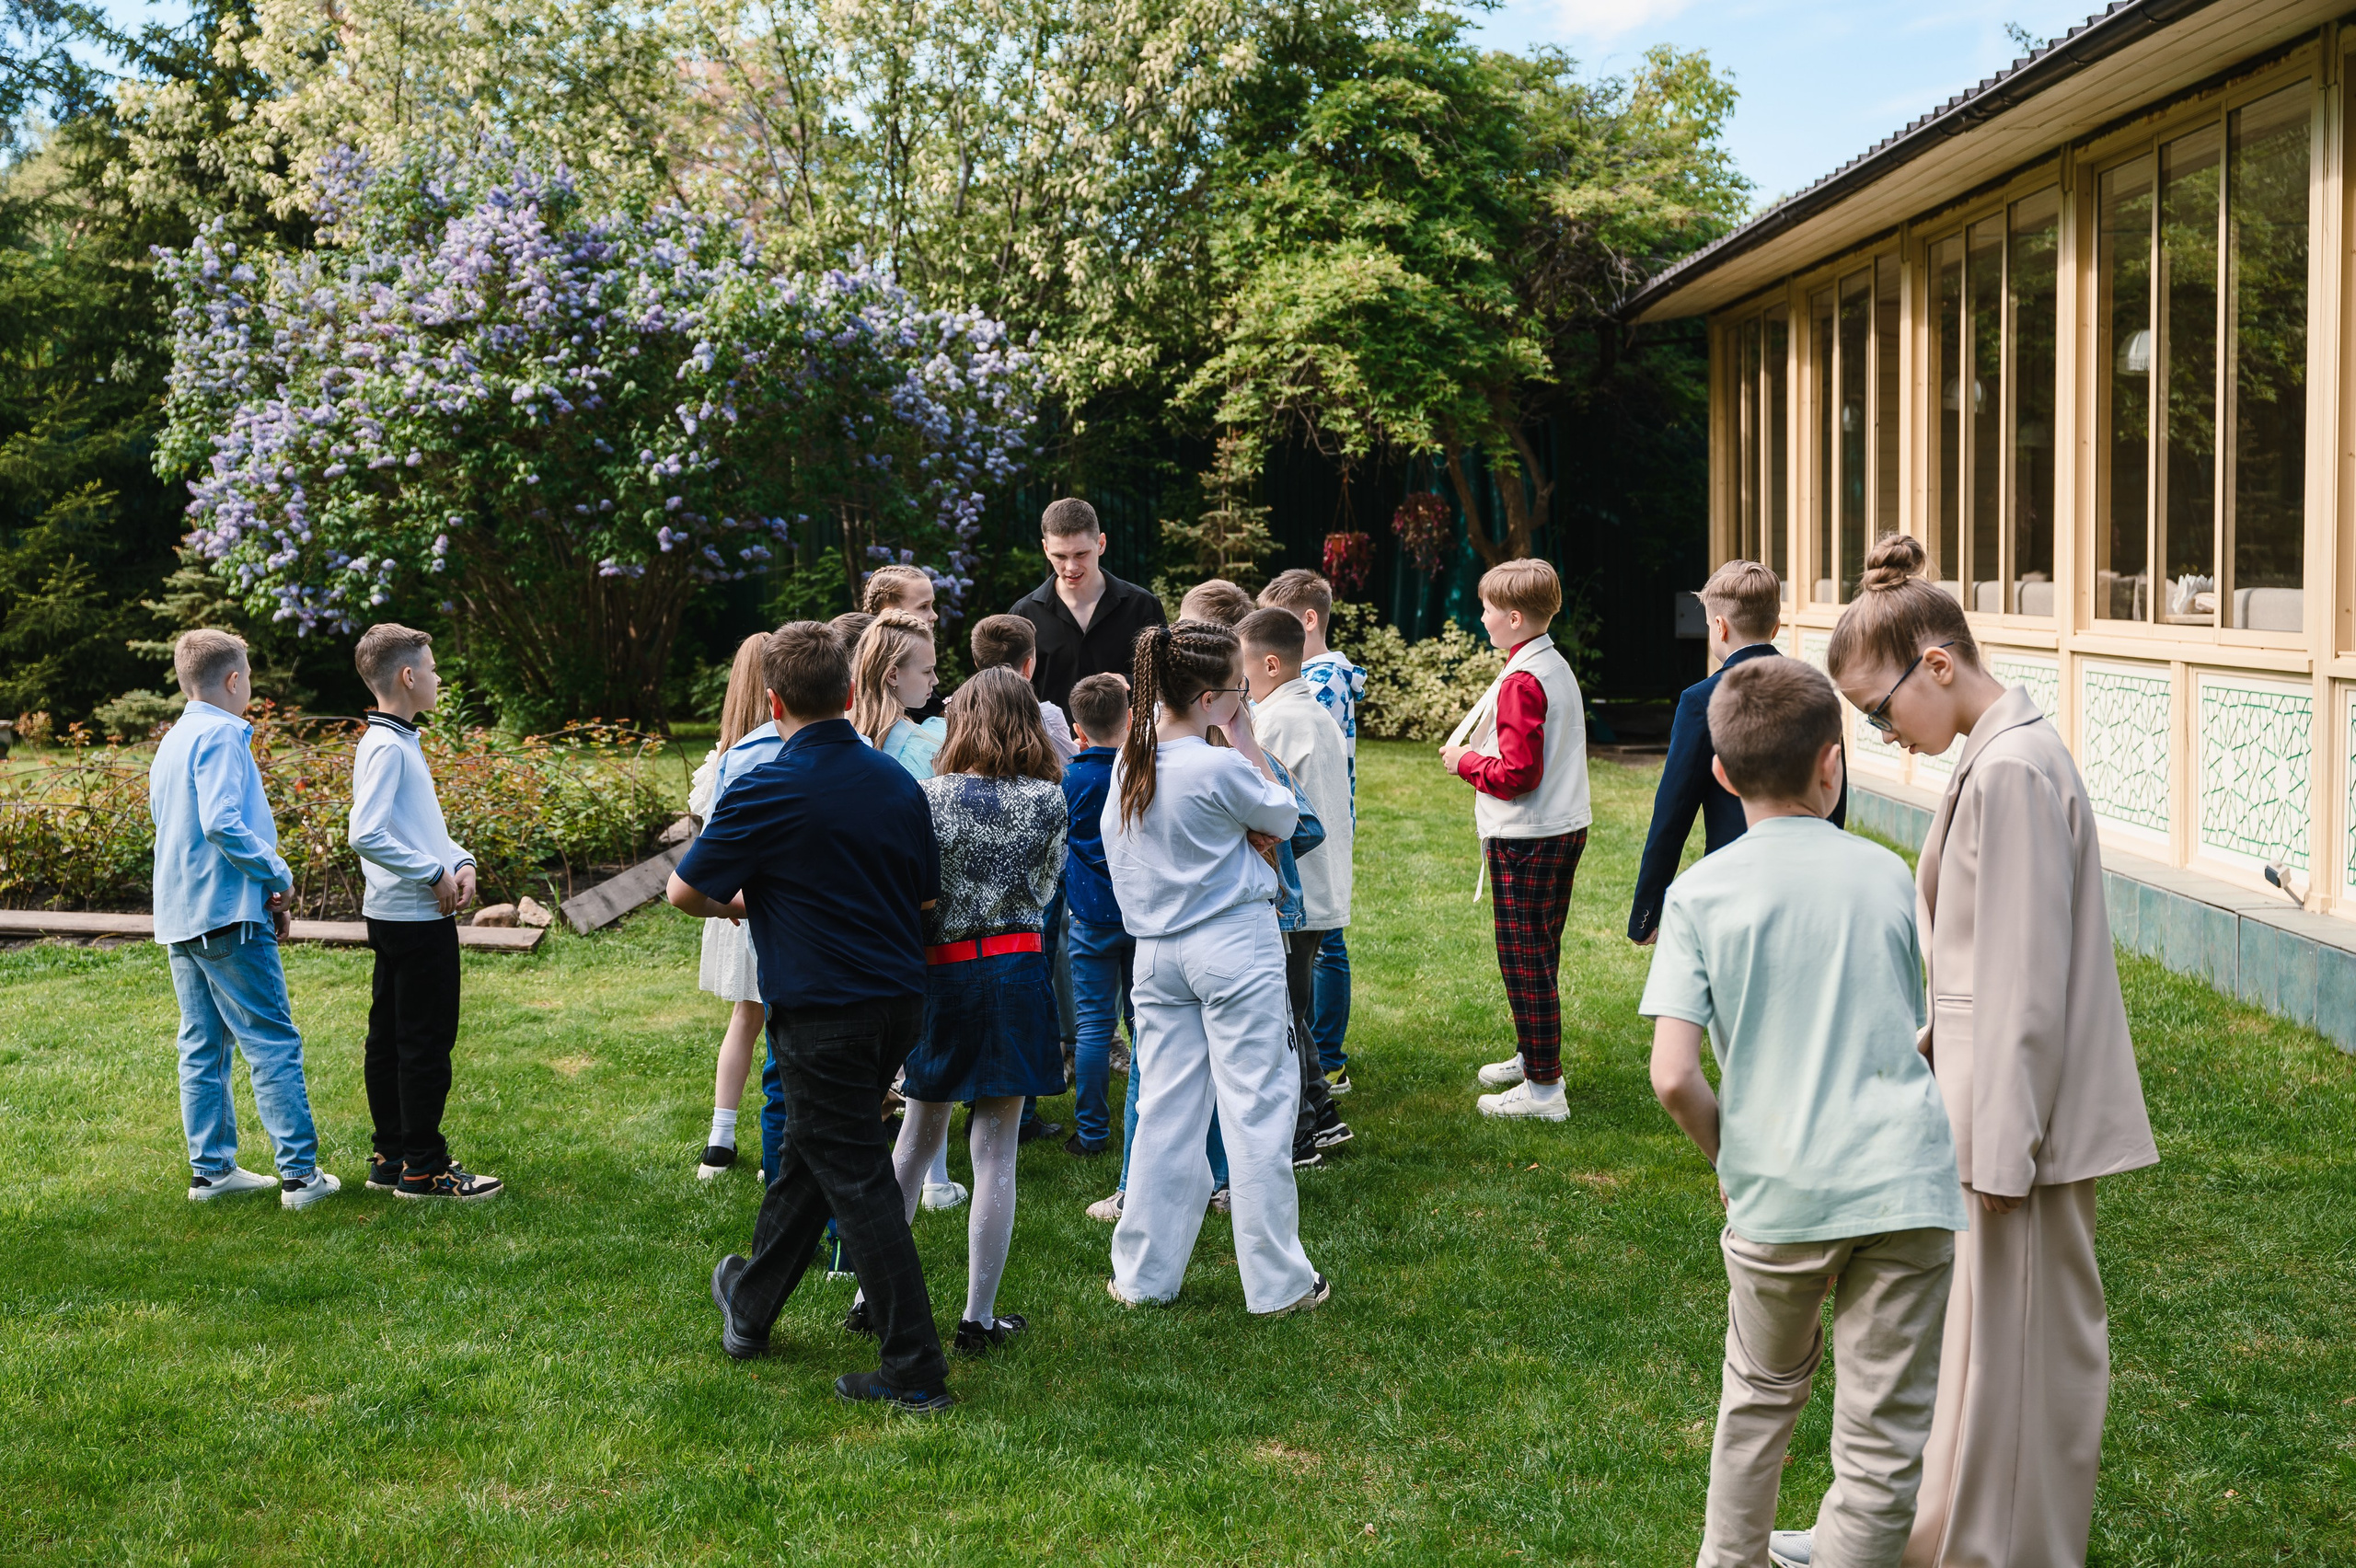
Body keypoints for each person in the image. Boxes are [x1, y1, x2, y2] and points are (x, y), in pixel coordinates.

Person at [1823, 534, 2157, 1568]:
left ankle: (2003, 1553)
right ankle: (1951, 1539)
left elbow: (2021, 987)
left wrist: (2002, 1148)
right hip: (1982, 1106)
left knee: (2023, 1360)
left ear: (1936, 664)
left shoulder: (2011, 768)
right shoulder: (1994, 754)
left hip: (2014, 1120)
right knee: (1984, 1353)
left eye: (1879, 712)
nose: (1880, 736)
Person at [1642, 655, 1968, 1568]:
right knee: (1882, 1434)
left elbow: (1673, 1076)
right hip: (1905, 1184)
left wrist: (1726, 1156)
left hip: (1777, 1192)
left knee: (1758, 1398)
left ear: (1718, 773)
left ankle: (1732, 1560)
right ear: (1833, 765)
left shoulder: (1700, 895)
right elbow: (1935, 1025)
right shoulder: (1888, 875)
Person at [672, 621, 955, 1412]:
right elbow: (928, 901)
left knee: (858, 1178)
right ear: (849, 692)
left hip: (823, 1007)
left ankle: (914, 1369)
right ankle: (751, 1307)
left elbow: (684, 890)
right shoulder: (897, 783)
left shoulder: (765, 783)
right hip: (899, 1001)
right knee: (811, 1154)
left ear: (773, 701)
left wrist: (740, 904)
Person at [1105, 620, 1327, 1316]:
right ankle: (1279, 1283)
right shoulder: (1220, 763)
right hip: (1233, 946)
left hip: (1157, 954)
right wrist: (1248, 743)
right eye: (1238, 690)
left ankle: (1144, 1274)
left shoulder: (1130, 764)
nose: (1245, 698)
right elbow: (1286, 817)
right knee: (1257, 1109)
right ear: (1209, 697)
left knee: (1164, 1112)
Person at [867, 668, 1068, 1355]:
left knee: (918, 1138)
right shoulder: (1048, 800)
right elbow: (1046, 888)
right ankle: (977, 1319)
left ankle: (873, 1292)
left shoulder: (926, 796)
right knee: (996, 1151)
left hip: (941, 974)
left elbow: (908, 888)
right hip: (1014, 970)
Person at [146, 628, 338, 1209]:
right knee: (272, 1041)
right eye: (249, 676)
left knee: (202, 1046)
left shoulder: (172, 740)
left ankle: (211, 1172)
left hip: (181, 918)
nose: (249, 686)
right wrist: (276, 875)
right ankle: (301, 1178)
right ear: (233, 680)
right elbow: (222, 824)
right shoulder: (225, 734)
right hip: (227, 916)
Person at [347, 623, 502, 1201]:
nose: (438, 678)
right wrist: (432, 873)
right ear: (409, 677)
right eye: (432, 669)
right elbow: (366, 832)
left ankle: (391, 1155)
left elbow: (419, 826)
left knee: (389, 1037)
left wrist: (458, 859)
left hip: (395, 913)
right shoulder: (389, 745)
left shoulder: (391, 738)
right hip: (414, 917)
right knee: (424, 1042)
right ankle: (425, 1169)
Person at [1438, 559, 1593, 1121]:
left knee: (1523, 957)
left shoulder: (1524, 679)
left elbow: (1518, 773)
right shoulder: (1548, 664)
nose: (1480, 618)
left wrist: (1465, 761)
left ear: (1513, 616)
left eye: (1485, 610)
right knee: (1539, 951)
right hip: (1561, 825)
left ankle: (1545, 1090)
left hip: (1529, 834)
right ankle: (1536, 1057)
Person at [1627, 559, 1847, 946]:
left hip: (1735, 885)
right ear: (1776, 628)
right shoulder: (1816, 690)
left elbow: (1673, 811)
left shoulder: (1701, 700)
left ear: (1719, 626)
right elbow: (1837, 792)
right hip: (1812, 884)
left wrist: (1646, 911)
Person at [1239, 606, 1353, 1160]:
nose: (1239, 681)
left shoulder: (1276, 720)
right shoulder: (1313, 712)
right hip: (1317, 887)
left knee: (1283, 1013)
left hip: (1294, 893)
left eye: (1243, 668)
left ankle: (1302, 1130)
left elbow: (1264, 805)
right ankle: (1323, 1114)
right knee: (1292, 1008)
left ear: (1270, 662)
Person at [1259, 569, 1365, 1095]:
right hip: (1320, 858)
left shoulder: (1291, 710)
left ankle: (1314, 1094)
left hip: (1305, 868)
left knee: (1294, 995)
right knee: (1300, 988)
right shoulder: (1308, 702)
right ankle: (1319, 1097)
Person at [685, 632, 776, 1179]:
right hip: (762, 901)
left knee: (746, 1017)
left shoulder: (718, 759)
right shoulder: (774, 752)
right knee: (779, 1019)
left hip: (724, 897)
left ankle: (720, 1139)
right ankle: (776, 1144)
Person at [1009, 497, 1167, 720]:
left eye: (1081, 554)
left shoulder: (1143, 605)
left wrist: (1129, 681)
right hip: (1050, 752)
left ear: (1101, 544)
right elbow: (1008, 696)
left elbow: (1169, 683)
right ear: (1045, 549)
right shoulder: (1023, 615)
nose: (1071, 567)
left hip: (1129, 748)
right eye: (1060, 556)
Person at [971, 613, 1077, 763]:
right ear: (1028, 666)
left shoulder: (960, 715)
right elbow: (1069, 769)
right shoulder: (1048, 718)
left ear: (976, 663)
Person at [852, 611, 945, 779]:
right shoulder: (927, 746)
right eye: (927, 671)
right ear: (893, 676)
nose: (935, 680)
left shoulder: (844, 736)